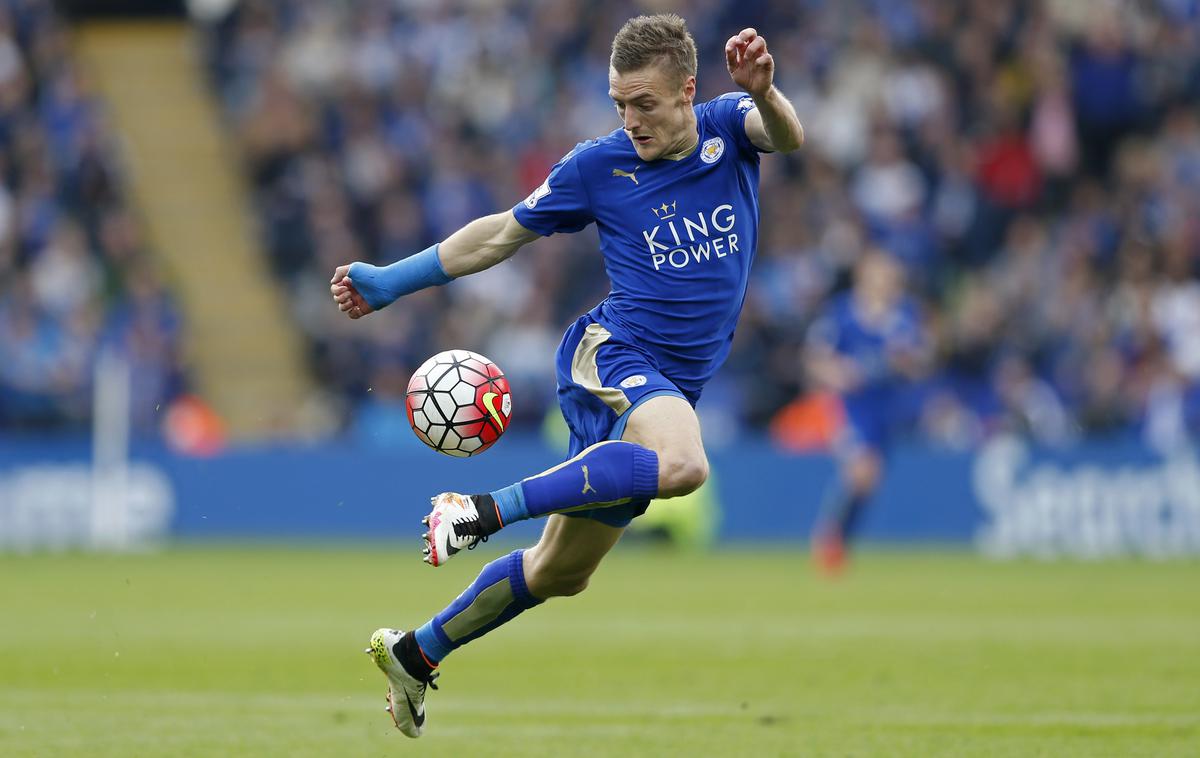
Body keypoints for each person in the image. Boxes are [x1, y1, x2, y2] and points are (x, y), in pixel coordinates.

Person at [329, 14, 803, 737]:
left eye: (645, 103)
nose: (631, 120)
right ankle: (479, 510)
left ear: (687, 90)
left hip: (676, 378)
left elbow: (788, 135)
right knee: (681, 464)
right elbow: (500, 232)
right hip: (614, 355)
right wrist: (393, 280)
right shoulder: (597, 167)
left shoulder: (730, 125)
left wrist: (766, 94)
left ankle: (415, 652)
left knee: (560, 573)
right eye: (619, 103)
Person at [804, 250, 930, 574]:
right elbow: (815, 358)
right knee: (861, 470)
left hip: (887, 407)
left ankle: (840, 540)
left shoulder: (904, 315)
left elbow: (920, 363)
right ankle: (828, 540)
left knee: (870, 481)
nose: (884, 279)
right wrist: (837, 373)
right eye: (878, 272)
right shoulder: (842, 313)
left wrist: (906, 361)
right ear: (864, 275)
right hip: (851, 406)